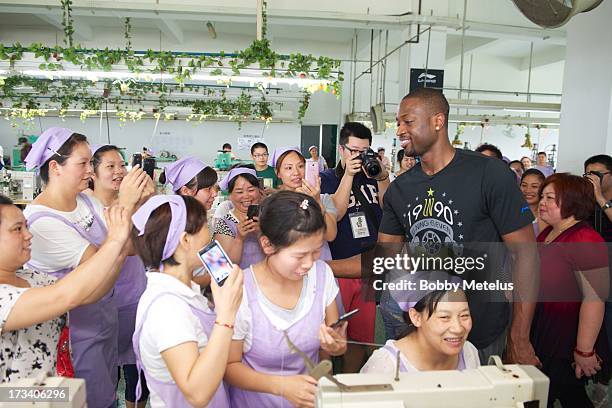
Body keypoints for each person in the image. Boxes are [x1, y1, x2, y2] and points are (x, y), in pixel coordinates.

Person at [327, 88, 540, 367]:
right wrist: (320, 266)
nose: (400, 129)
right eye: (398, 122)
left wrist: (520, 337)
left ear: (438, 121)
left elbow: (525, 255)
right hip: (426, 335)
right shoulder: (400, 189)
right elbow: (383, 258)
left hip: (483, 331)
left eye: (408, 121)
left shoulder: (489, 174)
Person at [22, 127, 149, 408]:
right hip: (75, 337)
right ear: (55, 167)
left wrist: (137, 204)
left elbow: (124, 246)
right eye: (83, 164)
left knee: (107, 393)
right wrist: (125, 205)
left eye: (91, 163)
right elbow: (99, 269)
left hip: (105, 322)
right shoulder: (42, 222)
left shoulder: (85, 200)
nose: (90, 172)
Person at [225, 191, 347, 407]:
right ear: (267, 245)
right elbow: (229, 367)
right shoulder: (241, 290)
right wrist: (282, 386)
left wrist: (336, 347)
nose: (309, 263)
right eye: (299, 256)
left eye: (316, 252)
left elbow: (328, 346)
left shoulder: (322, 275)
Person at [0, 195, 131, 382]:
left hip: (51, 392)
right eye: (17, 229)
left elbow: (87, 292)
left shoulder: (35, 279)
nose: (29, 235)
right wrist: (114, 241)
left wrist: (120, 250)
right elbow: (64, 297)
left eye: (26, 227)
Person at [131, 195, 243, 408]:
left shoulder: (183, 289)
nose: (210, 237)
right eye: (204, 228)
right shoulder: (167, 310)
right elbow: (197, 393)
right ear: (185, 240)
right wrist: (226, 315)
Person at [533, 173, 609, 407]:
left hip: (565, 337)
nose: (542, 202)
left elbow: (595, 298)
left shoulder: (585, 239)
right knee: (566, 394)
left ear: (573, 201)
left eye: (550, 197)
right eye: (542, 196)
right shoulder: (550, 231)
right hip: (544, 328)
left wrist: (584, 350)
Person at [90, 144, 151, 407]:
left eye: (122, 165)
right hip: (102, 301)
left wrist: (146, 201)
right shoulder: (85, 207)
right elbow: (125, 248)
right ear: (93, 172)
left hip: (135, 295)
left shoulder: (132, 202)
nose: (119, 172)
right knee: (105, 370)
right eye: (110, 166)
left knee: (136, 367)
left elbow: (146, 243)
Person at [361, 273, 480, 374]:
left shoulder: (468, 352)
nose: (458, 329)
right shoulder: (386, 366)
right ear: (416, 317)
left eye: (464, 315)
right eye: (444, 317)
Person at [269, 146, 338, 260]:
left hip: (318, 265)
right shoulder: (272, 203)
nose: (296, 172)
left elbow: (330, 235)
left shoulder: (323, 199)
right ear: (278, 173)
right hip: (285, 267)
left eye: (300, 166)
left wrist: (316, 202)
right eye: (288, 168)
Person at [213, 167, 264, 269]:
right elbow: (223, 266)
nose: (246, 196)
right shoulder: (224, 224)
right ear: (230, 195)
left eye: (251, 190)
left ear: (259, 191)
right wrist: (239, 239)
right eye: (239, 192)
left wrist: (262, 232)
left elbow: (281, 253)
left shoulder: (271, 217)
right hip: (241, 282)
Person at [584, 154, 612, 242]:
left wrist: (600, 198)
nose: (593, 178)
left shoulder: (599, 198)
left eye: (598, 174)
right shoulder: (584, 198)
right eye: (588, 174)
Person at [519, 169, 547, 236]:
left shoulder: (548, 216)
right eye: (524, 185)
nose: (528, 190)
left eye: (534, 186)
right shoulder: (511, 212)